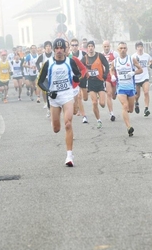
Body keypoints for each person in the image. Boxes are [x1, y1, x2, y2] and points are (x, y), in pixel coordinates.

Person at [37, 38, 81, 167]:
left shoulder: (70, 62)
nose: (60, 51)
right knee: (56, 129)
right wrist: (48, 92)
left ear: (65, 49)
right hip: (54, 97)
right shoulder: (48, 63)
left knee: (68, 124)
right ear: (54, 49)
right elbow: (40, 82)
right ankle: (55, 122)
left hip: (67, 95)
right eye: (57, 48)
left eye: (62, 48)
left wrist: (76, 78)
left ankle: (69, 155)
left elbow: (79, 75)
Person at [110, 42, 143, 137]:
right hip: (121, 88)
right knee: (124, 106)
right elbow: (111, 69)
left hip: (131, 88)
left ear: (127, 49)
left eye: (124, 48)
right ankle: (129, 127)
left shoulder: (131, 59)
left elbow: (141, 69)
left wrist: (133, 73)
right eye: (121, 48)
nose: (123, 50)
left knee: (130, 109)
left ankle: (132, 108)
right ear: (118, 50)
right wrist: (112, 76)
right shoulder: (115, 61)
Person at [81, 41, 109, 129]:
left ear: (94, 47)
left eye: (92, 46)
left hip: (100, 82)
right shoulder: (84, 58)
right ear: (87, 48)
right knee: (94, 103)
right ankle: (98, 120)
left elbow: (107, 65)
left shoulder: (100, 56)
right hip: (91, 83)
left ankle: (100, 99)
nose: (90, 48)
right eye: (89, 46)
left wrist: (105, 74)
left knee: (102, 104)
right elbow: (80, 67)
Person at [132, 41, 152, 117]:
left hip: (145, 76)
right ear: (136, 48)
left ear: (143, 48)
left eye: (141, 46)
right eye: (138, 47)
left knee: (146, 92)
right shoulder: (133, 57)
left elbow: (151, 60)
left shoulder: (146, 55)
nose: (140, 48)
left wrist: (151, 64)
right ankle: (136, 102)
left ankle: (146, 108)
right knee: (137, 95)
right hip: (137, 78)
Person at [70, 38, 88, 123]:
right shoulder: (68, 56)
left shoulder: (83, 54)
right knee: (79, 97)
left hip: (82, 77)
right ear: (70, 46)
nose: (74, 47)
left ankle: (78, 107)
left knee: (84, 97)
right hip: (74, 79)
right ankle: (84, 115)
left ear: (78, 45)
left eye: (76, 45)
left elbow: (87, 66)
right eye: (73, 45)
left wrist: (85, 74)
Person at [102, 40, 119, 122]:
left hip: (114, 76)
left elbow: (119, 63)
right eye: (105, 46)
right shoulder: (101, 55)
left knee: (114, 96)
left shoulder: (115, 54)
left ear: (110, 46)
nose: (106, 48)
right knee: (108, 94)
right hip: (106, 77)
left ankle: (114, 94)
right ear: (103, 47)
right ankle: (111, 113)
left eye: (107, 46)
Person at [36, 41, 54, 111]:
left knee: (52, 90)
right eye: (47, 46)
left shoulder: (54, 55)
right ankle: (48, 105)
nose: (48, 47)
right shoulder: (42, 56)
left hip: (53, 76)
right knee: (47, 90)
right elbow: (37, 63)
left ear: (51, 47)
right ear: (44, 48)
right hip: (45, 77)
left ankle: (52, 103)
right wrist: (40, 69)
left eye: (49, 46)